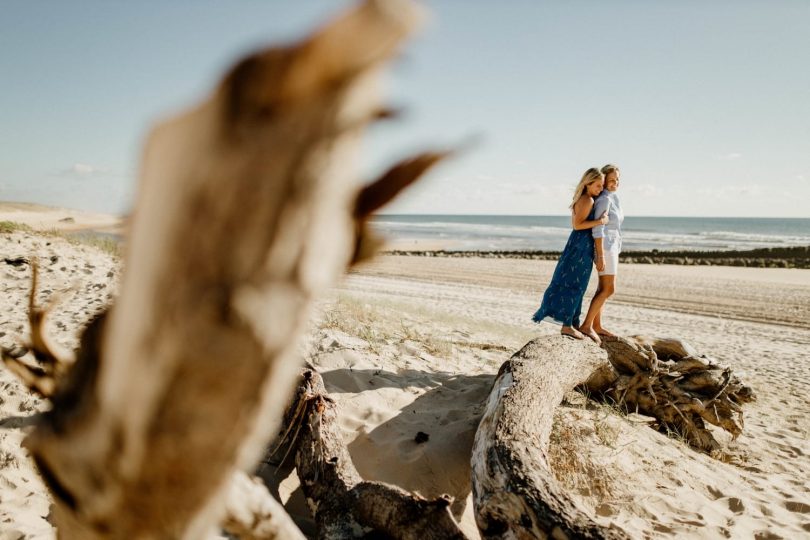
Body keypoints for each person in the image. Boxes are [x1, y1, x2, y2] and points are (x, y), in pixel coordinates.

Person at [532, 168, 608, 339]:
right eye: (597, 185)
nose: (600, 189)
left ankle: (573, 323)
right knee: (574, 284)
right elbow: (577, 225)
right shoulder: (586, 199)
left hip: (581, 245)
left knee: (578, 285)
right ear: (588, 183)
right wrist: (601, 221)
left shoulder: (586, 198)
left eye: (602, 186)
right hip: (580, 246)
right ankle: (567, 326)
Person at [579, 163, 624, 341]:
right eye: (611, 180)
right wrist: (600, 255)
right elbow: (598, 229)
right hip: (605, 247)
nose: (615, 183)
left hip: (613, 246)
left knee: (601, 288)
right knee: (609, 289)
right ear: (604, 180)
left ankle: (596, 325)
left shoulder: (614, 198)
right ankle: (586, 325)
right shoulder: (604, 199)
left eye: (617, 180)